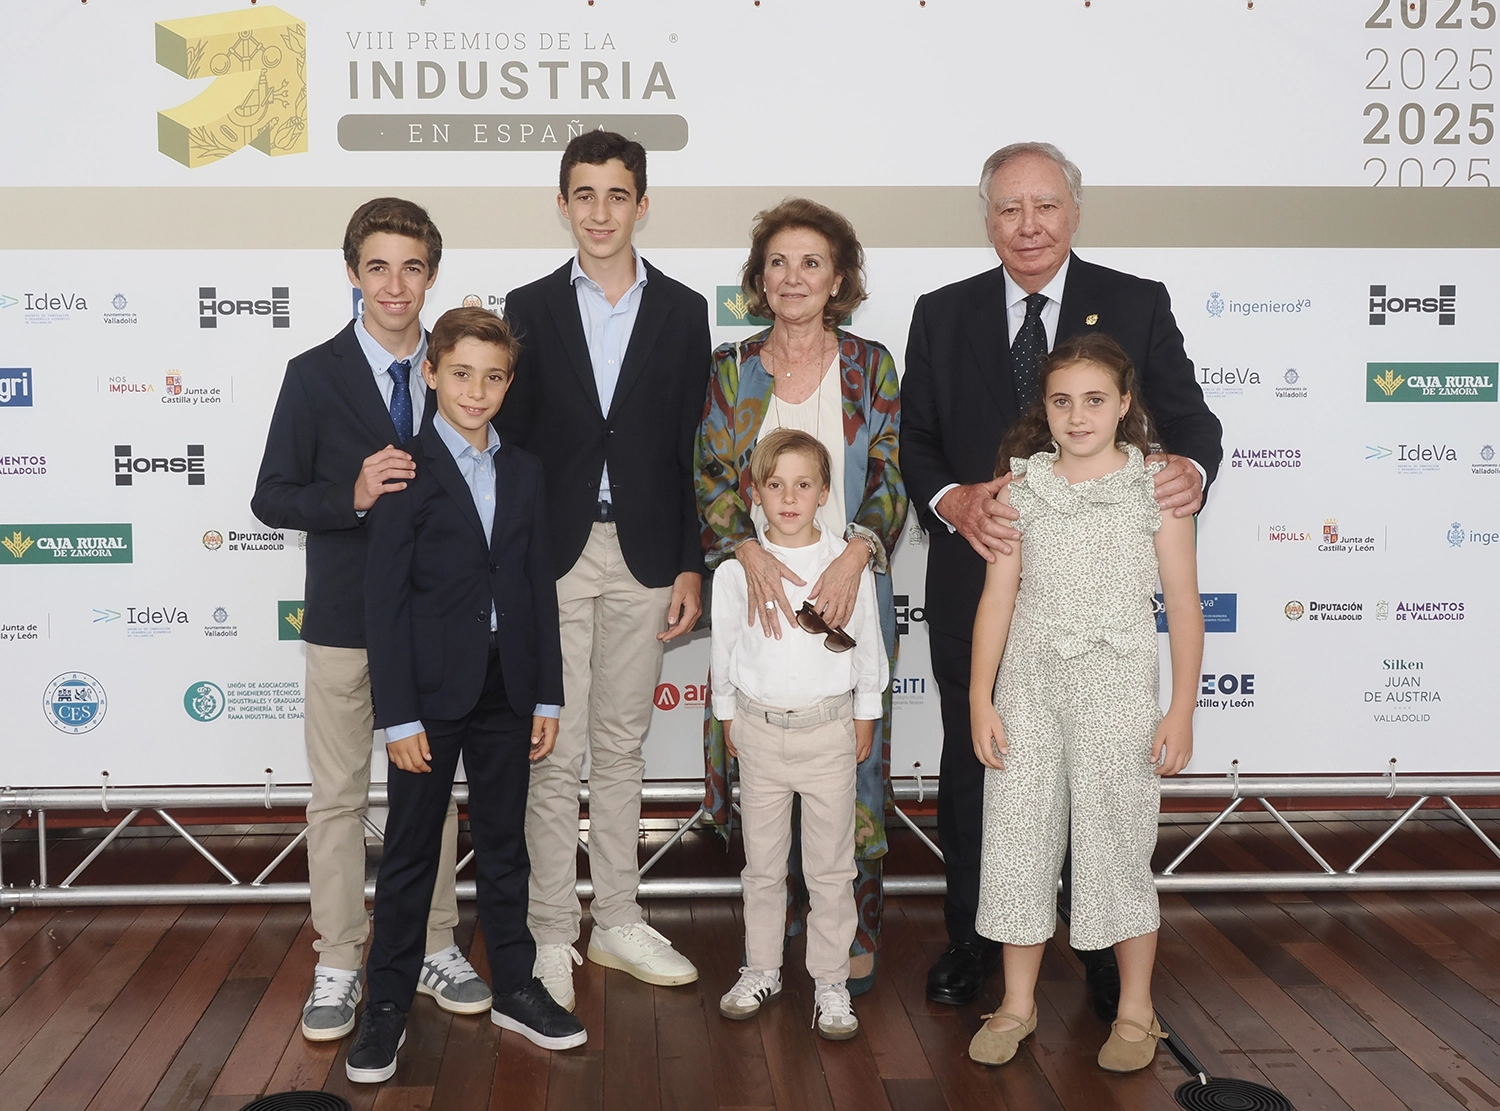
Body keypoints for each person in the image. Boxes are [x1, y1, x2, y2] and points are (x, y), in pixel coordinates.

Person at [900, 142, 1222, 1013]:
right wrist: (955, 500)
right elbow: (915, 444)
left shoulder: (1135, 302)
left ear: (1074, 211)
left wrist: (1190, 468)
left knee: (1103, 781)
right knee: (985, 769)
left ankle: (1104, 946)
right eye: (1009, 209)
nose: (1029, 225)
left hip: (1104, 600)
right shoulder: (940, 311)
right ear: (988, 220)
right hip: (985, 581)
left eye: (1045, 205)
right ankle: (974, 936)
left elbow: (1192, 420)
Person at [251, 198, 489, 1042]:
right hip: (347, 622)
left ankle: (432, 942)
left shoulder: (463, 367)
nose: (396, 285)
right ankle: (342, 957)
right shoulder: (312, 374)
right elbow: (270, 495)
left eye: (413, 266)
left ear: (432, 274)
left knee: (432, 795)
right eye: (378, 266)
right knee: (339, 796)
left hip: (437, 626)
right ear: (352, 272)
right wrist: (348, 496)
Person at [499, 130, 711, 1007]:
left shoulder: (686, 308)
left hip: (649, 553)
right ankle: (553, 930)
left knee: (621, 746)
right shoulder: (529, 304)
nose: (599, 212)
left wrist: (695, 561)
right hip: (554, 555)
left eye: (616, 195)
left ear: (642, 205)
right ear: (563, 205)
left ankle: (617, 918)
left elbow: (692, 446)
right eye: (583, 195)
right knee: (556, 750)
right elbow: (509, 445)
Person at [345, 308, 584, 1082]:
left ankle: (516, 984)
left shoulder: (523, 469)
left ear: (508, 384)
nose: (475, 390)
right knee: (414, 852)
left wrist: (546, 693)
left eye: (491, 376)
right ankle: (385, 1003)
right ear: (431, 374)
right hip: (428, 694)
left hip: (507, 686)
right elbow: (382, 604)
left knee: (505, 842)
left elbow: (535, 584)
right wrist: (399, 713)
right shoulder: (402, 469)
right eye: (460, 374)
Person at [965, 333, 1202, 1072]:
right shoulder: (1020, 488)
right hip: (1029, 689)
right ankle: (1016, 1001)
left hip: (1118, 691)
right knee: (1018, 838)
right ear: (1044, 407)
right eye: (1062, 401)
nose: (1078, 415)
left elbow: (1186, 607)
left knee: (1117, 845)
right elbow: (997, 600)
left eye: (1095, 400)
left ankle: (1135, 1010)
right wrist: (981, 696)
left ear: (1124, 404)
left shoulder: (1155, 490)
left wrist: (1182, 708)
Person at [696, 198, 906, 995]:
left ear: (839, 278)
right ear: (758, 277)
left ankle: (851, 934)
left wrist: (858, 555)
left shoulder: (871, 366)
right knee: (765, 764)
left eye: (812, 262)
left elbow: (890, 471)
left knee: (851, 770)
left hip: (851, 580)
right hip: (752, 584)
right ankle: (769, 945)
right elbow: (711, 476)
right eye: (778, 262)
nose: (793, 277)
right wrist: (742, 549)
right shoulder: (731, 369)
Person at [711, 429, 887, 1041]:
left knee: (831, 869)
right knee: (762, 865)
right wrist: (728, 716)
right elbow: (725, 651)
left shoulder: (844, 569)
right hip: (759, 734)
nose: (789, 498)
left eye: (803, 485)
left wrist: (865, 717)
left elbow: (868, 650)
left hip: (829, 735)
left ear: (823, 493)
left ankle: (831, 980)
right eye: (775, 485)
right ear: (755, 494)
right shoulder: (736, 573)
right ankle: (760, 966)